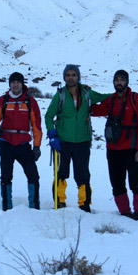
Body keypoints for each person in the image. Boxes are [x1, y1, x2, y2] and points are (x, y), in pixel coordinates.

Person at [44, 64, 110, 212]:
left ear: (78, 77)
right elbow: (49, 115)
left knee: (83, 174)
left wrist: (122, 95)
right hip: (63, 142)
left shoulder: (87, 93)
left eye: (73, 75)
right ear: (64, 77)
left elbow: (104, 98)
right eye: (68, 75)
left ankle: (84, 203)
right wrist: (52, 134)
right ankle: (59, 201)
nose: (71, 77)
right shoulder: (60, 95)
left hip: (82, 141)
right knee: (61, 173)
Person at [91, 69, 138, 220]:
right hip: (113, 149)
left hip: (132, 149)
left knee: (136, 183)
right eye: (116, 80)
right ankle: (124, 213)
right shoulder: (111, 100)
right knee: (117, 183)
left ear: (127, 82)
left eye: (122, 80)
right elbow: (96, 110)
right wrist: (84, 95)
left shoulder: (137, 99)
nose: (119, 82)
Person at [0, 72, 43, 210]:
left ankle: (34, 206)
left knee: (33, 175)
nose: (15, 84)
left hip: (23, 145)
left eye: (18, 82)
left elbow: (36, 125)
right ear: (10, 84)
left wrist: (36, 146)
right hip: (6, 143)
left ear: (22, 84)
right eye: (13, 82)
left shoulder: (30, 102)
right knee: (6, 176)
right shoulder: (3, 100)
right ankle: (7, 207)